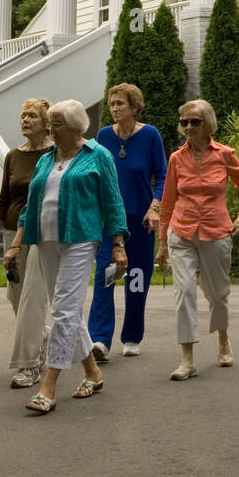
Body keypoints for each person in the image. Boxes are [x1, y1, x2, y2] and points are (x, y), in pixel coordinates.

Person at [3, 99, 128, 414]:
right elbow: (33, 204)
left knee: (61, 312)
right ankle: (93, 373)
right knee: (69, 312)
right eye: (51, 123)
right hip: (45, 239)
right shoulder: (47, 158)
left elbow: (113, 201)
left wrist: (118, 243)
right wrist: (17, 243)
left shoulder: (98, 156)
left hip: (80, 239)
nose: (51, 129)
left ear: (75, 126)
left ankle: (49, 385)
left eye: (57, 123)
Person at [155, 99, 239, 381]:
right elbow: (168, 201)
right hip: (182, 231)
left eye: (194, 122)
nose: (188, 127)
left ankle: (223, 340)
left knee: (217, 293)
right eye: (184, 122)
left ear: (208, 124)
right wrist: (162, 242)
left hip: (216, 231)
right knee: (184, 292)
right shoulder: (176, 158)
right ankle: (187, 359)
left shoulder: (224, 155)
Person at [88, 83, 167, 361]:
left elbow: (163, 176)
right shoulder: (103, 136)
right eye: (111, 104)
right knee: (106, 277)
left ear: (134, 107)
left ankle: (132, 336)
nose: (114, 108)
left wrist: (155, 207)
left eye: (120, 103)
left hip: (141, 222)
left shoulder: (149, 135)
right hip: (110, 221)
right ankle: (99, 339)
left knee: (136, 278)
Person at [0, 98, 52, 388]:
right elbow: (3, 200)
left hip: (41, 234)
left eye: (32, 116)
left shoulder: (54, 154)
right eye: (23, 115)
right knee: (15, 294)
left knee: (32, 297)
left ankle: (30, 365)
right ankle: (43, 336)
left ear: (46, 122)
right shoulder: (13, 155)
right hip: (12, 233)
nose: (25, 120)